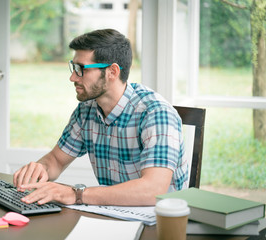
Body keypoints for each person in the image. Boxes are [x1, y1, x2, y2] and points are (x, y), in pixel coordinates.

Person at [13, 29, 188, 206]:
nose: (72, 77)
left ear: (112, 72)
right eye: (74, 67)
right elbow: (57, 160)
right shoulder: (87, 109)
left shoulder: (156, 113)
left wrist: (76, 194)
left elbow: (153, 190)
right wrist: (41, 168)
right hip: (112, 213)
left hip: (160, 221)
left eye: (81, 69)